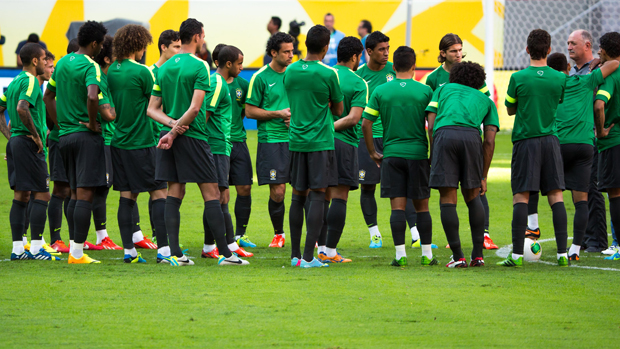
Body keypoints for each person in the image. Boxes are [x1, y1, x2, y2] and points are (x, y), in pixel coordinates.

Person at [147, 18, 248, 266]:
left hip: (169, 137)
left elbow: (152, 109)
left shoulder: (165, 67)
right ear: (198, 37)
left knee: (175, 191)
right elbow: (195, 109)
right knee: (212, 193)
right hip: (193, 137)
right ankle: (225, 255)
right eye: (203, 35)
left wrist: (170, 127)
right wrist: (176, 130)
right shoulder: (201, 66)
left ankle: (174, 254)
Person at [498, 29, 569, 267]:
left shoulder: (518, 78)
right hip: (550, 141)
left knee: (521, 196)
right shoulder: (560, 78)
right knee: (556, 195)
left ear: (527, 49)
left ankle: (517, 256)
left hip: (526, 141)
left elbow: (509, 109)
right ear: (549, 50)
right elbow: (556, 102)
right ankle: (562, 255)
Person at [107, 25, 176, 264]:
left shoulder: (111, 71)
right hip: (143, 141)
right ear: (138, 44)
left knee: (127, 196)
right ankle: (165, 252)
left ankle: (129, 252)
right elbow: (155, 106)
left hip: (119, 142)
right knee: (159, 193)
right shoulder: (143, 72)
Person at [44, 21, 111, 264]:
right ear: (94, 43)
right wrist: (93, 123)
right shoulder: (90, 65)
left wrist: (59, 123)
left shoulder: (62, 63)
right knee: (84, 195)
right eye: (101, 44)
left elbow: (47, 96)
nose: (101, 48)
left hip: (64, 138)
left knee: (72, 194)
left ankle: (74, 248)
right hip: (85, 137)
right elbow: (93, 96)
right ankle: (77, 254)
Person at [424, 33, 498, 251]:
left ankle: (457, 255)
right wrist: (483, 176)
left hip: (444, 136)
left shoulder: (442, 88)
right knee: (473, 194)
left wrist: (434, 148)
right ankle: (477, 254)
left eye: (459, 50)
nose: (457, 54)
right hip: (471, 138)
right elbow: (490, 140)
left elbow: (431, 121)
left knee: (448, 197)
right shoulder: (486, 100)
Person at [362, 46, 433, 267]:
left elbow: (366, 123)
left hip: (391, 155)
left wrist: (373, 151)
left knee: (397, 208)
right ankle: (427, 255)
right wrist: (433, 152)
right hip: (418, 154)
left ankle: (400, 255)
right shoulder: (425, 92)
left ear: (395, 64)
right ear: (413, 66)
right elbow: (432, 126)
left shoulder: (381, 91)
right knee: (422, 207)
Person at [546, 52, 619, 261]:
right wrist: (597, 63)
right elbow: (614, 63)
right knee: (581, 200)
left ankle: (554, 246)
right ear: (568, 67)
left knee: (554, 196)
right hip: (584, 145)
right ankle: (575, 249)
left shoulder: (549, 86)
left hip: (557, 144)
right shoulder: (586, 80)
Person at [284, 24, 343, 268]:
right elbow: (339, 110)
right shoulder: (329, 74)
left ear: (305, 44)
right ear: (326, 47)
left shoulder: (291, 71)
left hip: (296, 140)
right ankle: (309, 257)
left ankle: (296, 255)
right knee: (318, 195)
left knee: (297, 195)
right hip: (320, 141)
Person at [0, 43, 57, 261]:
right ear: (35, 61)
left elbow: (0, 109)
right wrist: (34, 135)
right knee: (42, 193)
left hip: (17, 142)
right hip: (28, 144)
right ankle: (35, 248)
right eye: (44, 59)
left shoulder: (15, 82)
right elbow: (22, 107)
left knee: (21, 196)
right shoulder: (32, 81)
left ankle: (18, 249)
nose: (45, 63)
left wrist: (11, 136)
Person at [199, 45, 254, 260]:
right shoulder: (217, 83)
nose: (242, 67)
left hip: (224, 144)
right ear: (228, 64)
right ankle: (228, 246)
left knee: (220, 196)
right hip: (216, 146)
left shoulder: (221, 82)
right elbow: (205, 114)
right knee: (218, 197)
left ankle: (212, 246)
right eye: (239, 63)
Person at [317, 36, 367, 264]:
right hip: (343, 143)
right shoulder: (358, 82)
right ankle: (330, 251)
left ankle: (316, 247)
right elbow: (354, 118)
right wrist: (329, 129)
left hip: (316, 143)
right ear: (356, 57)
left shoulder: (323, 74)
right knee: (339, 196)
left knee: (318, 194)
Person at [245, 32, 293, 248]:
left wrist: (297, 118)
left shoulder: (296, 74)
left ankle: (312, 235)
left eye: (293, 51)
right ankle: (279, 234)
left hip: (298, 139)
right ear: (274, 53)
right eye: (286, 52)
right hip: (271, 140)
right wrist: (278, 114)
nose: (291, 55)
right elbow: (250, 111)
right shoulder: (260, 77)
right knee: (278, 191)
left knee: (308, 189)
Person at [84, 35, 123, 252]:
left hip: (108, 139)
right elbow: (108, 114)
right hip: (103, 140)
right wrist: (124, 108)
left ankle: (101, 236)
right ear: (107, 59)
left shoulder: (105, 78)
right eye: (117, 56)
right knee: (100, 189)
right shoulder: (99, 78)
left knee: (101, 188)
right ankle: (101, 237)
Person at [356, 31, 394, 248]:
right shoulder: (359, 75)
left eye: (388, 48)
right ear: (369, 52)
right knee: (367, 186)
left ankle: (416, 235)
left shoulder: (395, 72)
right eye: (381, 49)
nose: (386, 53)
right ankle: (375, 234)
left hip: (391, 137)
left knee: (400, 186)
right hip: (366, 138)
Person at [148, 29, 181, 244]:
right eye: (176, 47)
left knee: (165, 188)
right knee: (156, 189)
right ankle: (157, 238)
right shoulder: (151, 73)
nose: (180, 51)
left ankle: (158, 236)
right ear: (163, 47)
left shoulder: (175, 71)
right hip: (151, 138)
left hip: (166, 136)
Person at [46, 42, 78, 254]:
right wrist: (60, 126)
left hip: (71, 139)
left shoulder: (72, 74)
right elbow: (48, 102)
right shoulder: (61, 75)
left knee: (74, 190)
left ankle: (75, 240)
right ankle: (56, 239)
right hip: (60, 139)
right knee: (61, 190)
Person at [593, 32, 620, 262]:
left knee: (616, 194)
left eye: (600, 48)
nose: (598, 52)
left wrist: (601, 131)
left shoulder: (611, 76)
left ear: (607, 50)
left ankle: (619, 245)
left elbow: (600, 104)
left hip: (614, 141)